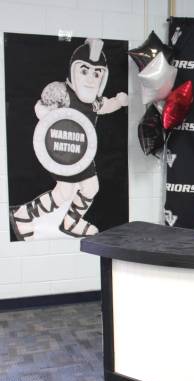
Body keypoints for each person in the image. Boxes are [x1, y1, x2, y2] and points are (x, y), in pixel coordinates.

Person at [9, 38, 128, 240]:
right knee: (64, 192)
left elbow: (106, 106)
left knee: (91, 188)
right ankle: (22, 215)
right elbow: (42, 109)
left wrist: (118, 101)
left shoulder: (94, 103)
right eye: (84, 71)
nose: (90, 78)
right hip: (63, 153)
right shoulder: (63, 93)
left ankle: (70, 221)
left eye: (96, 73)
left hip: (83, 154)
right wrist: (46, 111)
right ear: (74, 71)